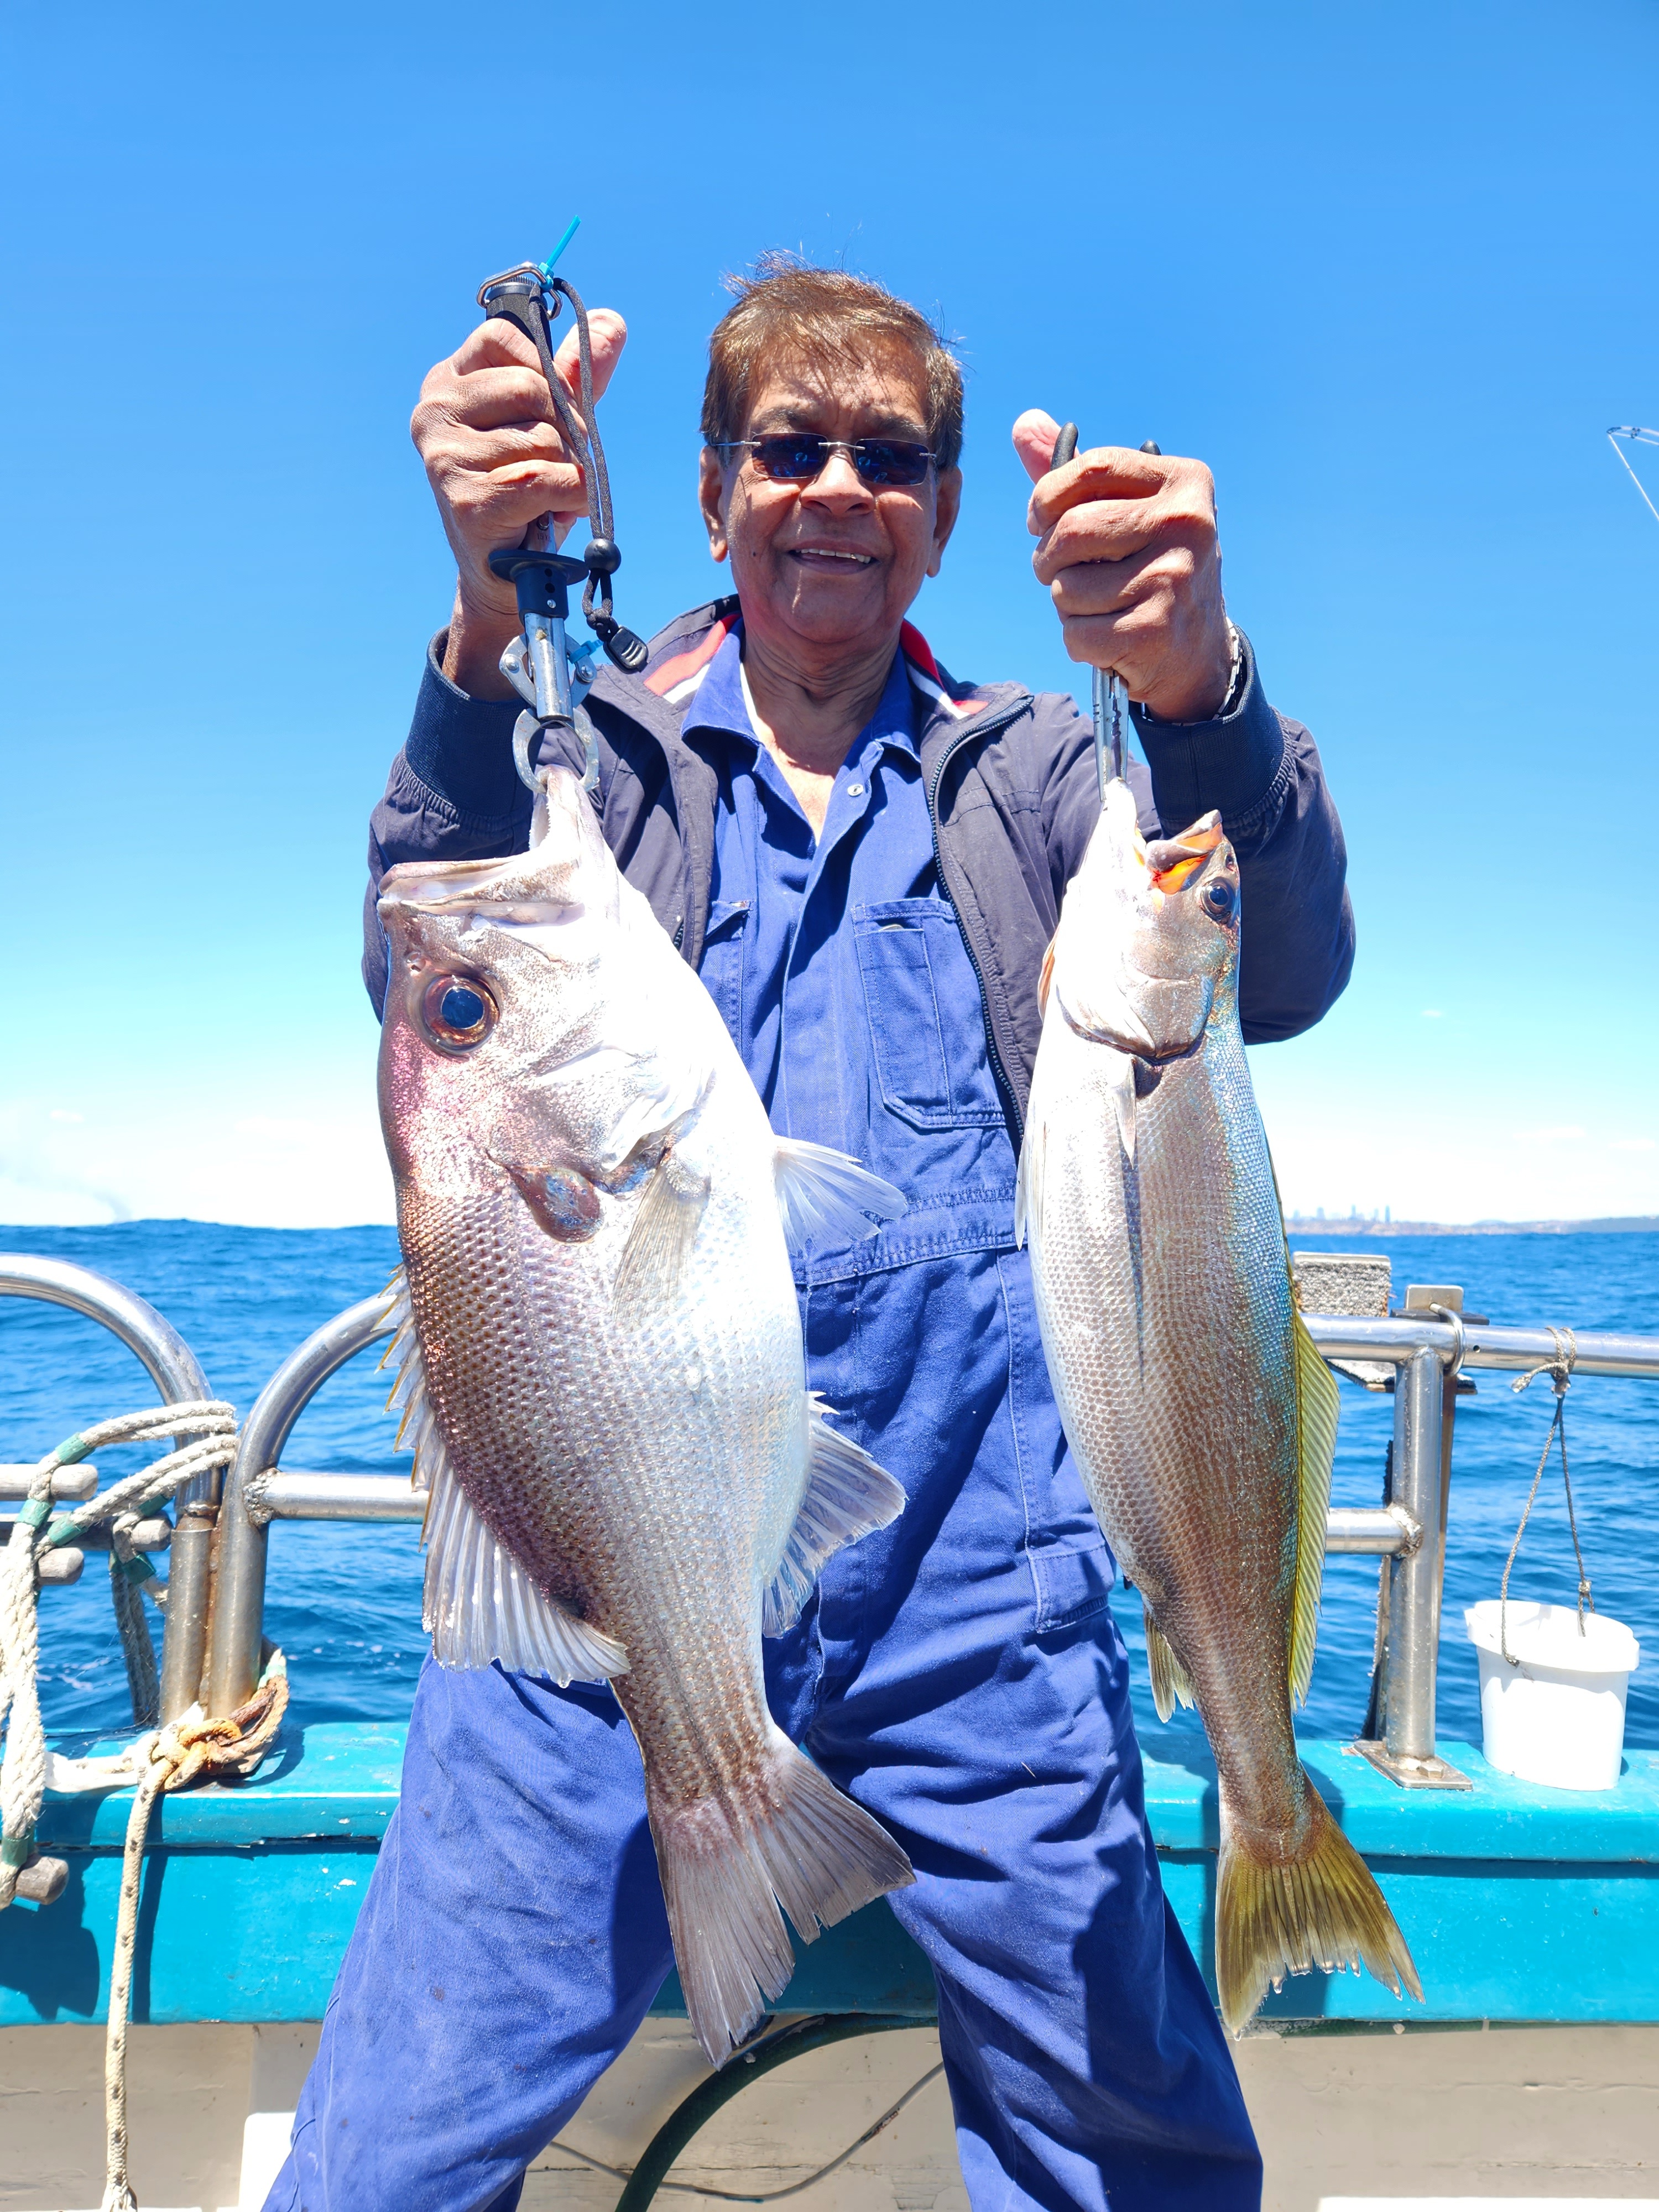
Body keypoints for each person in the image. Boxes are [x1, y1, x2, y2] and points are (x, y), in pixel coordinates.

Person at [272, 255, 1353, 2212]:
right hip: (606, 1616)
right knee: (387, 2159)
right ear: (711, 495)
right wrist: (487, 611)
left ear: (944, 513)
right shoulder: (583, 756)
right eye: (787, 450)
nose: (835, 489)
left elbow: (1271, 966)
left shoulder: (1041, 771)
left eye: (888, 457)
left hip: (982, 1593)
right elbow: (423, 951)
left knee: (1139, 2154)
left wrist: (1202, 692)